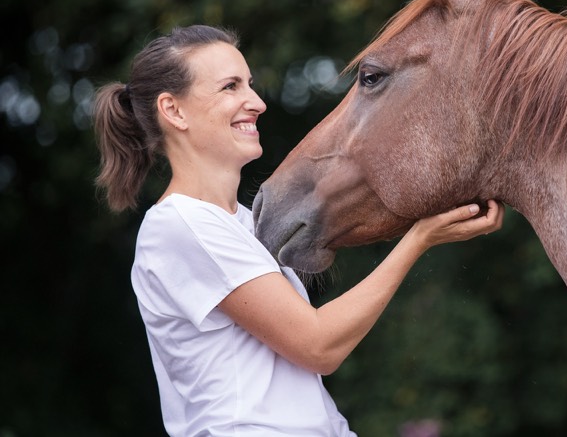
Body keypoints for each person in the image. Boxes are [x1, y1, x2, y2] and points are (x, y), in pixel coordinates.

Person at [93, 24, 504, 436]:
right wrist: (418, 240)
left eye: (249, 85)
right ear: (174, 110)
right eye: (230, 87)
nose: (255, 102)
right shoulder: (183, 225)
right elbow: (318, 345)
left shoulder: (238, 222)